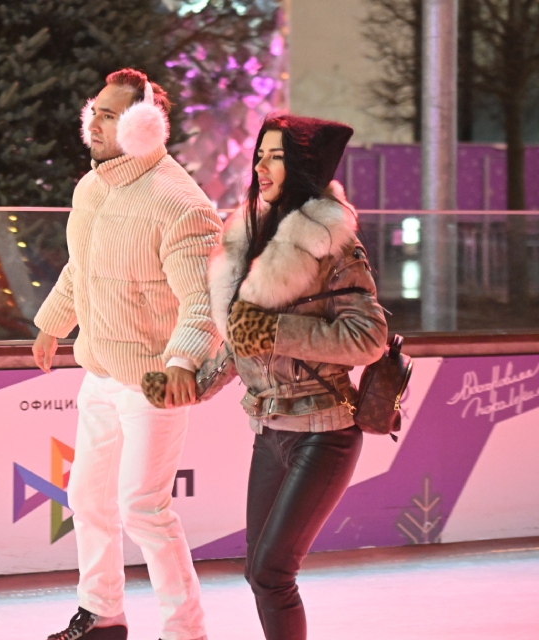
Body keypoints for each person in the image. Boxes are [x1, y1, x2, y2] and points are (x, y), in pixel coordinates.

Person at [32, 69, 222, 640]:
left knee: (143, 507)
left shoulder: (179, 202)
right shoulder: (91, 188)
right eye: (95, 110)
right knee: (87, 498)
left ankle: (185, 630)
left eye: (111, 116)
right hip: (99, 371)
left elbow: (204, 301)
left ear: (143, 127)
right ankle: (102, 613)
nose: (95, 122)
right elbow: (81, 269)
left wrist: (181, 363)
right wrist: (52, 325)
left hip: (154, 383)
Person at [203, 114, 388, 640]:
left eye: (276, 156)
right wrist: (190, 385)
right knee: (258, 572)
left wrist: (274, 331)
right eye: (259, 155)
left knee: (271, 572)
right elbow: (241, 337)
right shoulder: (253, 236)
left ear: (303, 164)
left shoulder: (333, 243)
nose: (261, 166)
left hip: (323, 433)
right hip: (270, 431)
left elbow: (368, 338)